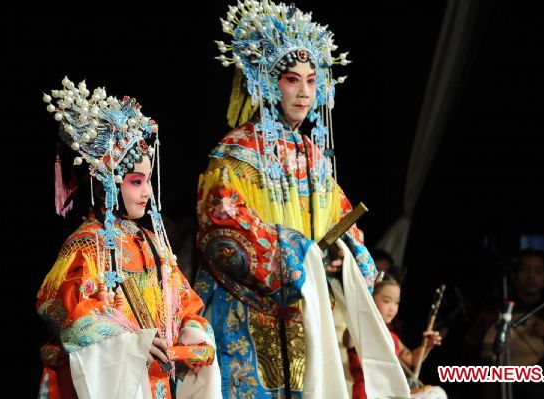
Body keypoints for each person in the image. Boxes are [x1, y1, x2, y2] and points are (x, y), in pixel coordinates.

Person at [194, 1, 409, 398]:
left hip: (307, 319)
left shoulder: (314, 157)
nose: (305, 93)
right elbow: (221, 231)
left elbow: (342, 221)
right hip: (247, 316)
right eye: (292, 80)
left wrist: (346, 252)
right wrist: (301, 253)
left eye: (312, 81)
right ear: (264, 83)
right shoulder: (235, 153)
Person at [37, 77, 221, 399]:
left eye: (148, 180)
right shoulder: (86, 246)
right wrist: (133, 341)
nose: (147, 192)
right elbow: (68, 311)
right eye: (136, 181)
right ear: (107, 184)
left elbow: (184, 302)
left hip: (157, 385)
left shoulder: (151, 243)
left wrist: (193, 331)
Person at [465, 248, 544, 399]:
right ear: (514, 276)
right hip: (505, 381)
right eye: (525, 270)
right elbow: (470, 347)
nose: (531, 276)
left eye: (538, 271)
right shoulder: (494, 312)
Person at [344, 274, 447, 399]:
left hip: (390, 394)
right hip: (367, 393)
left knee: (437, 393)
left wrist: (427, 346)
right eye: (387, 301)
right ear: (370, 299)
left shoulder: (392, 337)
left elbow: (413, 361)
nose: (392, 308)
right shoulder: (359, 329)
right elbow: (348, 341)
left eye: (396, 302)